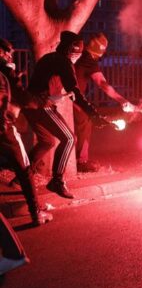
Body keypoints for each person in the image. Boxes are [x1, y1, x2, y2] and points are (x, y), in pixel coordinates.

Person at [23, 31, 109, 199]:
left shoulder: (49, 58)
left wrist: (58, 96)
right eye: (78, 51)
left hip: (31, 105)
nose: (79, 55)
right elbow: (75, 91)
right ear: (71, 50)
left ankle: (22, 177)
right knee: (69, 138)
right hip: (42, 106)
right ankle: (57, 180)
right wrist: (94, 114)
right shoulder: (64, 62)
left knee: (47, 142)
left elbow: (44, 84)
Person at [0, 38, 53, 226]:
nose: (10, 56)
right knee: (24, 169)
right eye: (8, 53)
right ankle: (36, 213)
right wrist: (43, 102)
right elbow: (24, 98)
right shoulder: (5, 71)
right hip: (4, 129)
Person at [73, 33, 135, 172]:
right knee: (85, 121)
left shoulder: (78, 55)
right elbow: (102, 83)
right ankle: (81, 161)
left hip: (64, 96)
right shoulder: (89, 60)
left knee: (75, 126)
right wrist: (122, 100)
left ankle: (72, 159)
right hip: (73, 98)